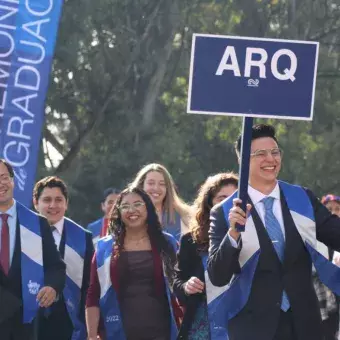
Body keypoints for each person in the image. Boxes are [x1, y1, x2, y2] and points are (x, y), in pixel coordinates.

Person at [207, 124, 340, 340]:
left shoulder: (301, 199)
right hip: (252, 327)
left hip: (305, 325)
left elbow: (335, 233)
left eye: (275, 152)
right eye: (261, 154)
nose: (271, 159)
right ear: (242, 161)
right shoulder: (225, 211)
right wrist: (232, 234)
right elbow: (218, 275)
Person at [86, 186, 181, 340]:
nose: (132, 210)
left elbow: (181, 287)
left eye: (137, 204)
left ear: (148, 208)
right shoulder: (104, 248)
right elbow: (93, 293)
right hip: (117, 330)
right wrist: (91, 335)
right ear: (118, 212)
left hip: (162, 330)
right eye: (125, 206)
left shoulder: (167, 242)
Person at [0, 159, 65, 340]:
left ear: (13, 180)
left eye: (4, 177)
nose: (1, 183)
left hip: (26, 325)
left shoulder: (36, 223)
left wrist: (52, 287)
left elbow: (56, 266)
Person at [173, 173, 238, 339]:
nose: (229, 203)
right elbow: (178, 283)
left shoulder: (255, 237)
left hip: (242, 323)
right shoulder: (190, 240)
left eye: (234, 197)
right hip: (203, 326)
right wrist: (187, 286)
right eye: (222, 198)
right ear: (209, 204)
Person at [33, 176, 94, 340]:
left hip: (69, 322)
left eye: (58, 200)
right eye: (47, 200)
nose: (53, 205)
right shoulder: (21, 232)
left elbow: (90, 285)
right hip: (29, 322)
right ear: (36, 203)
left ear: (66, 203)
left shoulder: (83, 238)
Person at [130, 163, 191, 241]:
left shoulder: (183, 216)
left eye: (162, 184)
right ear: (141, 185)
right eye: (151, 183)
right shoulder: (130, 214)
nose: (156, 188)